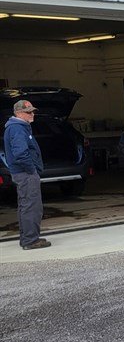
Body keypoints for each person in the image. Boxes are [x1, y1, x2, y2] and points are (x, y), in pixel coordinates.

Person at [3, 99, 49, 249]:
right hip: (25, 173)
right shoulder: (17, 129)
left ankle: (28, 238)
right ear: (18, 113)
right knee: (32, 206)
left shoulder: (19, 127)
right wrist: (32, 170)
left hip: (22, 173)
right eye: (28, 112)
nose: (32, 114)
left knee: (26, 205)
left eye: (32, 111)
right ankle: (30, 240)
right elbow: (21, 153)